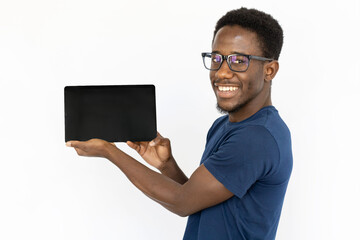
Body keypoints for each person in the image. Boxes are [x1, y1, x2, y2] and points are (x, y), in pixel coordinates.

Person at [66, 7, 293, 240]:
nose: (222, 72)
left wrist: (108, 150)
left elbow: (182, 202)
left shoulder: (257, 138)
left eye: (238, 60)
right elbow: (197, 200)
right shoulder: (223, 126)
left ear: (269, 70)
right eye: (216, 58)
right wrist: (167, 165)